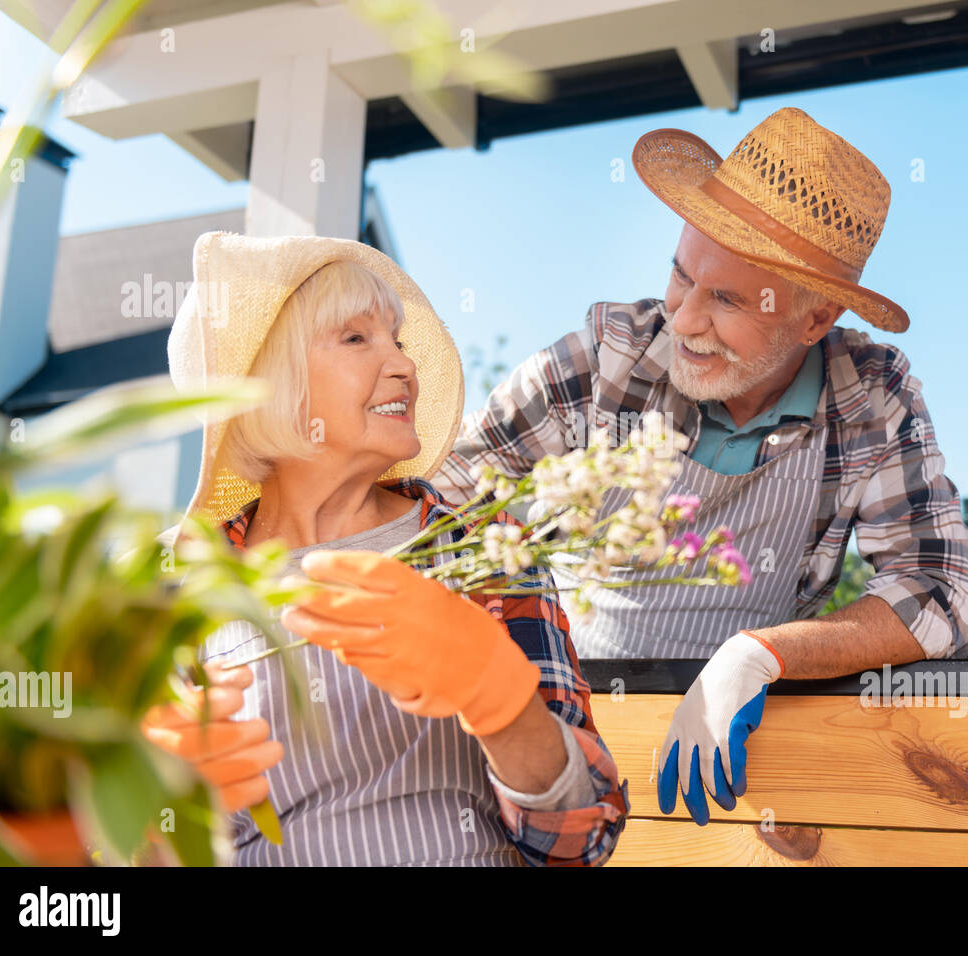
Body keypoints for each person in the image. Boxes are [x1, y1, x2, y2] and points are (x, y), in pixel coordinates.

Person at [427, 107, 968, 825]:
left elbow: (943, 596)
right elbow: (440, 509)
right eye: (681, 276)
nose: (684, 320)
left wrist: (762, 655)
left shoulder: (870, 396)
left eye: (724, 299)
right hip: (565, 744)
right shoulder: (606, 362)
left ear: (813, 321)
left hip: (736, 770)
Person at [141, 231, 628, 865]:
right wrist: (157, 810)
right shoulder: (172, 584)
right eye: (355, 338)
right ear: (268, 381)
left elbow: (584, 837)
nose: (403, 364)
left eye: (396, 339)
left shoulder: (482, 546)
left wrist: (501, 702)